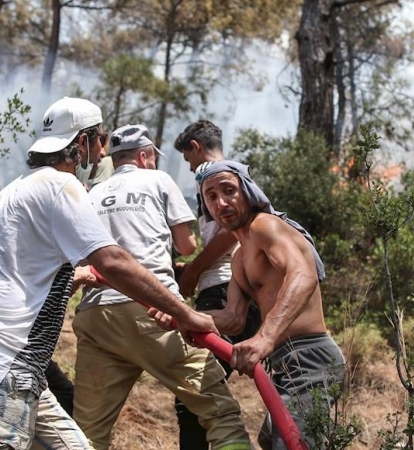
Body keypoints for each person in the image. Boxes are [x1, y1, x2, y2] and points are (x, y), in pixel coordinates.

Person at [0, 98, 219, 450]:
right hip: (1, 362)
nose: (102, 153)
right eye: (100, 140)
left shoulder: (13, 191)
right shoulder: (60, 186)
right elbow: (113, 261)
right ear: (82, 142)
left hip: (11, 365)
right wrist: (186, 314)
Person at [72, 124, 251, 450]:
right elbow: (185, 246)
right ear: (144, 156)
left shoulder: (93, 192)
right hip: (154, 311)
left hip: (96, 316)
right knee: (221, 415)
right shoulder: (157, 179)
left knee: (86, 434)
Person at [196, 160, 345, 450]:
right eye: (211, 196)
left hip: (312, 358)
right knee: (272, 440)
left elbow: (304, 275)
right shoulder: (238, 258)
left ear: (248, 192)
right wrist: (183, 315)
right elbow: (233, 319)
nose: (221, 202)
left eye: (229, 191)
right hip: (284, 365)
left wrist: (265, 337)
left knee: (290, 445)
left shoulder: (265, 225)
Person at [171, 120, 262, 449]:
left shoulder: (211, 174)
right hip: (234, 288)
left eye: (187, 159)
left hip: (221, 290)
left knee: (194, 395)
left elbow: (227, 235)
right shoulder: (236, 174)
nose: (190, 167)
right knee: (202, 391)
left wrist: (194, 270)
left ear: (195, 148)